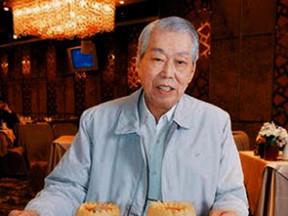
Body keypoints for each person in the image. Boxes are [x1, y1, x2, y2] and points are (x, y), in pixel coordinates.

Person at [9, 16, 248, 216]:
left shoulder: (215, 123)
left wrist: (230, 211)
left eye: (180, 62)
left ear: (192, 70)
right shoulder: (97, 121)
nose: (168, 73)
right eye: (157, 59)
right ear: (138, 64)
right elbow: (67, 187)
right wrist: (37, 212)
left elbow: (231, 193)